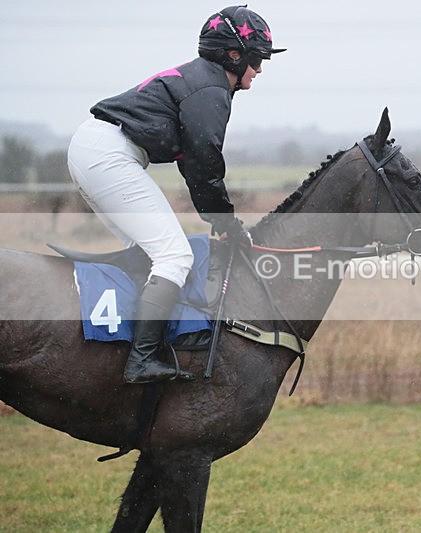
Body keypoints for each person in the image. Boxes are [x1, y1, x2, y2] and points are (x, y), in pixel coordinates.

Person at [67, 6, 285, 384]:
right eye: (258, 59)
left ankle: (143, 341)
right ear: (234, 54)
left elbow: (193, 162)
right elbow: (204, 161)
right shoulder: (213, 88)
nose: (260, 69)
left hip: (96, 148)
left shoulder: (205, 80)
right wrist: (227, 222)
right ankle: (142, 359)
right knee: (175, 254)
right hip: (108, 154)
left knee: (154, 255)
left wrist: (220, 219)